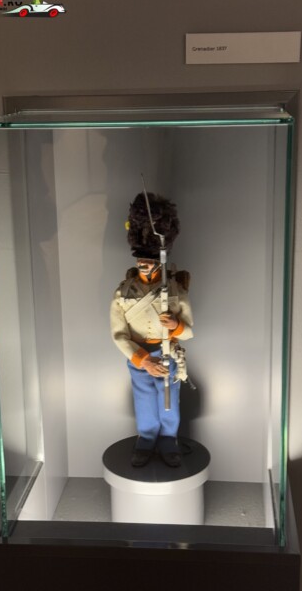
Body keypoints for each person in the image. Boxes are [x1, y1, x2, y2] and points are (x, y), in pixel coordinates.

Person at [110, 192, 193, 467]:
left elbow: (189, 331)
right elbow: (119, 334)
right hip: (139, 356)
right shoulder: (123, 293)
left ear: (159, 260)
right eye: (140, 260)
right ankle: (146, 438)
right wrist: (143, 360)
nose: (143, 264)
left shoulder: (175, 290)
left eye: (148, 260)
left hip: (167, 353)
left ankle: (169, 439)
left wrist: (176, 326)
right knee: (144, 399)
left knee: (169, 399)